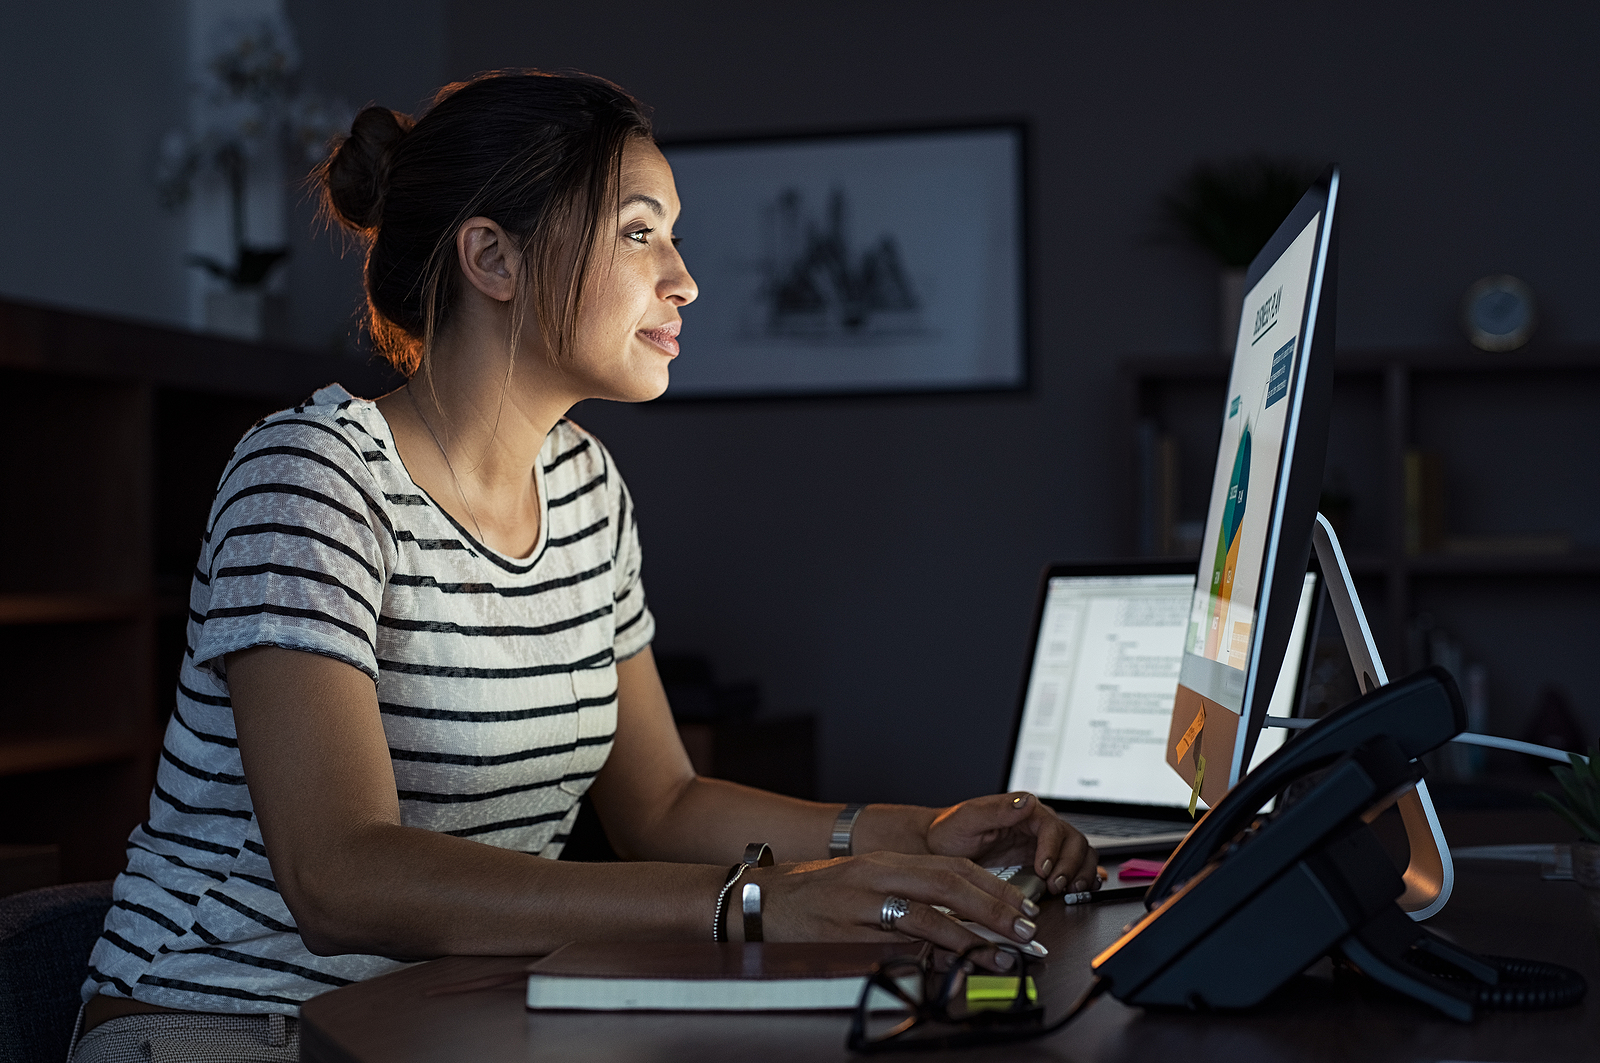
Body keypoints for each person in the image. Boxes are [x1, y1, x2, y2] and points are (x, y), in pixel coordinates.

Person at [72, 70, 1098, 1061]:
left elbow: (661, 802)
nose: (684, 277)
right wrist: (755, 902)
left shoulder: (583, 484)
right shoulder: (308, 479)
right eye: (640, 231)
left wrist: (916, 835)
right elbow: (339, 876)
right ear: (493, 258)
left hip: (437, 1016)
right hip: (224, 1024)